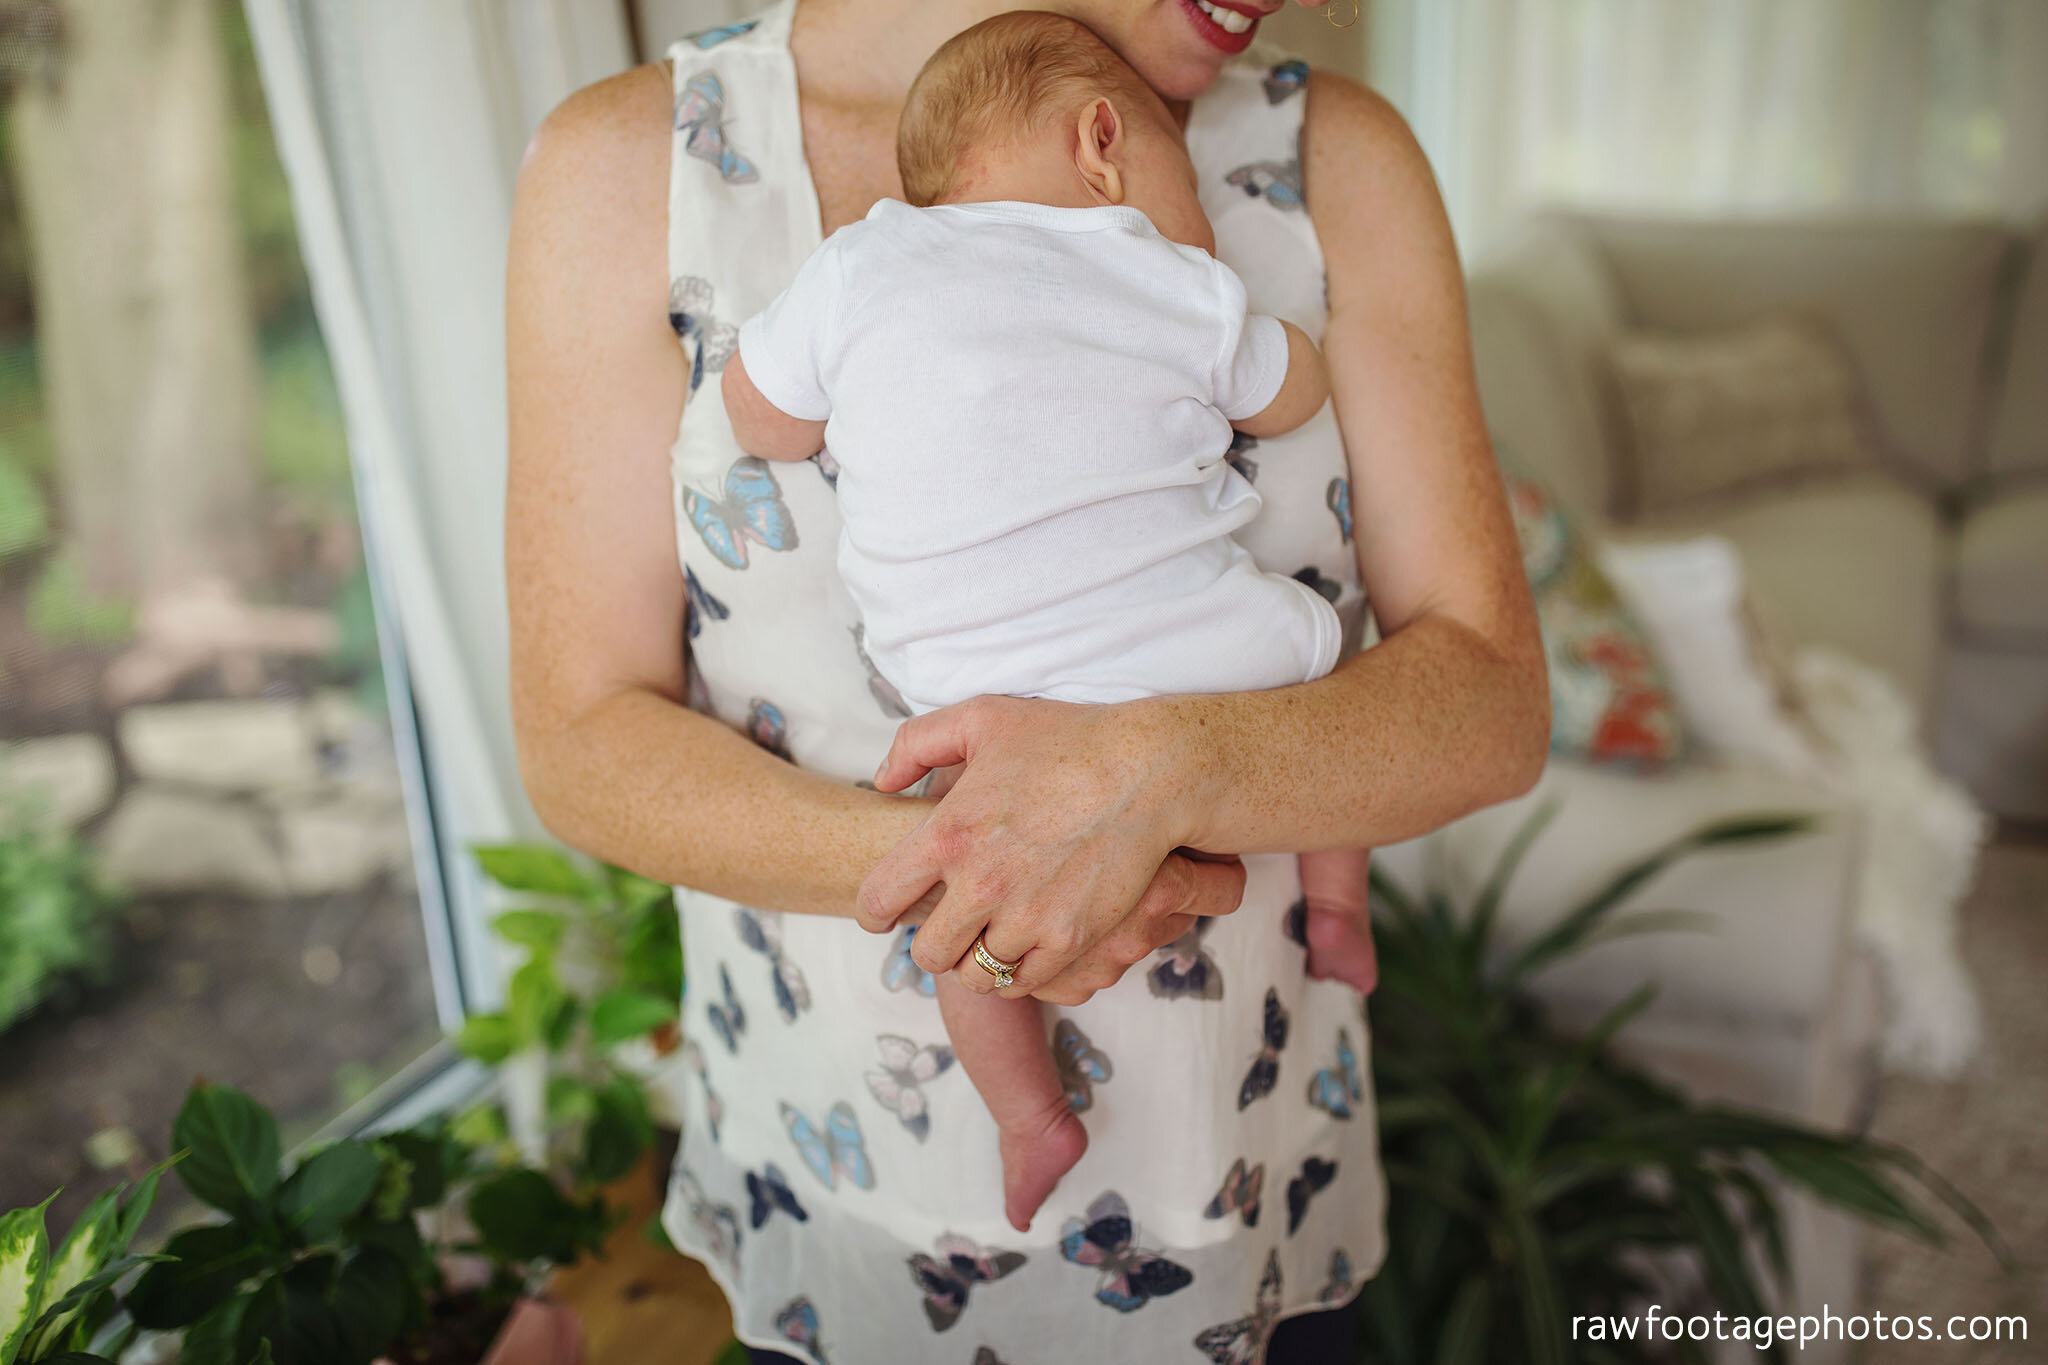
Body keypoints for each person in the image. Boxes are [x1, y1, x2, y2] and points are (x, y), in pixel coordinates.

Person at [504, 0, 1550, 1355]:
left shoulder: (1327, 154)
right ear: (1101, 143)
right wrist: (986, 863)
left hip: (1250, 1199)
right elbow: (582, 741)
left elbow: (1489, 702)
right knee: (1301, 641)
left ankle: (1033, 1104)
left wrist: (1159, 777)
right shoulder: (636, 173)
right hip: (855, 1208)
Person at [721, 11, 1381, 1236]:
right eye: (1176, 182)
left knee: (966, 931)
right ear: (1100, 144)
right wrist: (1244, 325)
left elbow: (758, 418)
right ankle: (1335, 902)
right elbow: (1292, 391)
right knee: (1326, 660)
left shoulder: (861, 265)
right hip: (1190, 650)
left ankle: (1031, 1121)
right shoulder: (1165, 276)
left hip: (974, 708)